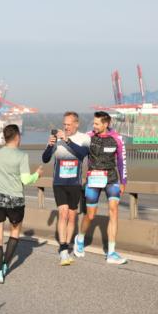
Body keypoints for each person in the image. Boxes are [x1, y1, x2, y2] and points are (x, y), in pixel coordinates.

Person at [0, 124, 42, 284]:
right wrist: (37, 174)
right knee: (14, 232)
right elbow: (25, 180)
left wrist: (0, 174)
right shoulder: (22, 156)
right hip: (16, 200)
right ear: (17, 137)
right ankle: (5, 265)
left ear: (5, 137)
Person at [75, 111, 128, 265]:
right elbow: (78, 154)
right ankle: (80, 238)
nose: (94, 125)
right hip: (93, 180)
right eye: (94, 123)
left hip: (112, 179)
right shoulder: (88, 137)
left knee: (114, 211)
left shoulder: (117, 139)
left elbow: (121, 161)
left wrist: (123, 181)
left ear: (106, 124)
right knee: (90, 215)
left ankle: (111, 252)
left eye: (97, 123)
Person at [42, 111, 91, 265]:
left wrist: (67, 141)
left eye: (69, 125)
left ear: (76, 124)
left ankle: (68, 245)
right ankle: (63, 250)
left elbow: (83, 153)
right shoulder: (57, 139)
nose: (66, 127)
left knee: (72, 216)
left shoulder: (84, 138)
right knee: (62, 214)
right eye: (64, 124)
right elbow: (45, 158)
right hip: (59, 183)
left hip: (75, 183)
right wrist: (50, 146)